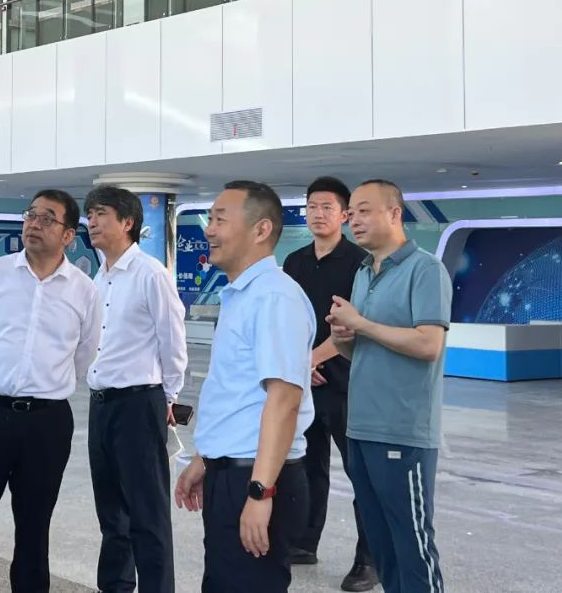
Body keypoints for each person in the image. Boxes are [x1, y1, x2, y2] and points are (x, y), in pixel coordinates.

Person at [0, 189, 101, 593]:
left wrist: (43, 381)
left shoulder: (84, 290)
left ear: (68, 235)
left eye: (47, 218)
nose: (34, 224)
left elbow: (85, 352)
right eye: (31, 215)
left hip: (46, 424)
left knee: (34, 526)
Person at [174, 181, 315, 593]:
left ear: (260, 229)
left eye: (220, 219)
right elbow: (237, 393)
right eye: (210, 219)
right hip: (232, 471)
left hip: (257, 477)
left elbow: (284, 401)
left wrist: (260, 491)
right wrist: (207, 457)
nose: (209, 229)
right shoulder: (242, 294)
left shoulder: (274, 298)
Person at [328, 179, 451, 593]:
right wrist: (345, 339)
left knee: (412, 547)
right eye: (351, 213)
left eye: (365, 210)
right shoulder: (365, 272)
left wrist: (361, 324)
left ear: (395, 214)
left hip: (402, 430)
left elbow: (429, 344)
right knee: (383, 548)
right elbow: (362, 351)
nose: (354, 220)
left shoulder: (426, 269)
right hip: (360, 427)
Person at [84, 186, 188, 593]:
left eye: (101, 214)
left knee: (147, 514)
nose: (92, 221)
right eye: (90, 214)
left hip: (139, 404)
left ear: (127, 222)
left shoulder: (151, 274)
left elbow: (172, 340)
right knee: (111, 512)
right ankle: (115, 586)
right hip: (101, 404)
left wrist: (169, 397)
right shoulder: (100, 276)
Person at [283, 177, 377, 591]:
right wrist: (301, 366)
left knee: (361, 473)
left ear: (344, 215)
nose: (318, 214)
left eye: (327, 207)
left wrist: (315, 359)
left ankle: (369, 559)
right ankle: (304, 542)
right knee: (307, 466)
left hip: (347, 382)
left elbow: (355, 324)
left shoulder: (360, 263)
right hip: (305, 384)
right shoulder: (295, 262)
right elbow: (288, 321)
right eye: (311, 207)